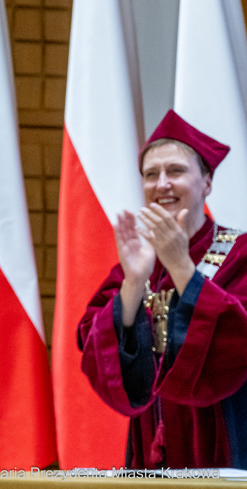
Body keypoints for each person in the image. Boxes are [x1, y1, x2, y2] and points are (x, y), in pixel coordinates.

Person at [79, 110, 247, 469]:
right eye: (150, 174)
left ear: (207, 182)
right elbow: (94, 348)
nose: (162, 183)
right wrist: (134, 283)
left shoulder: (240, 252)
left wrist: (182, 267)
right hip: (149, 445)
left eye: (176, 171)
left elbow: (239, 342)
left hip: (229, 435)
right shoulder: (139, 260)